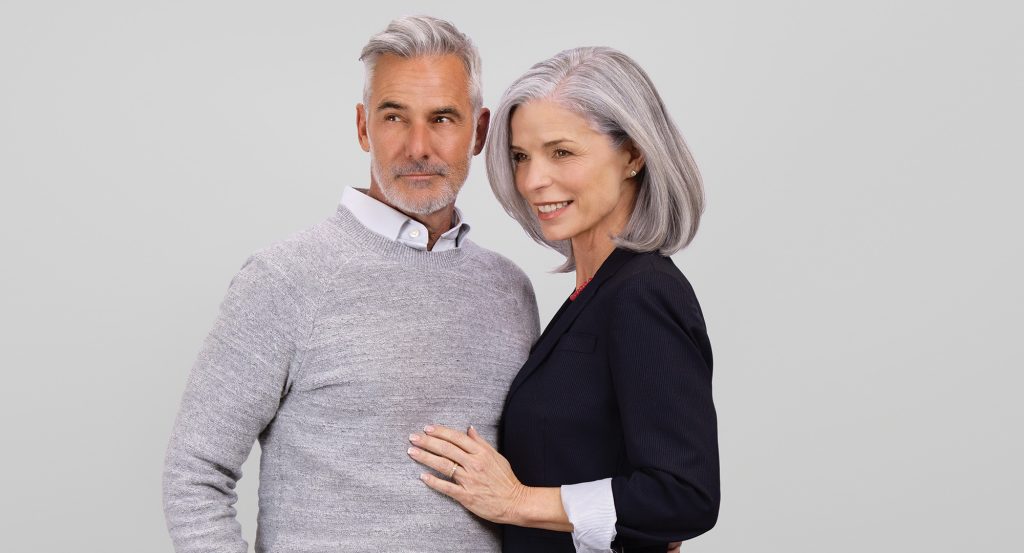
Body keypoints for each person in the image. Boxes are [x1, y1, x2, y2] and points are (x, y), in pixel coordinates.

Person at [162, 16, 539, 553]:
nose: (418, 146)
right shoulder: (285, 279)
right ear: (363, 127)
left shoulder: (510, 291)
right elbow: (194, 474)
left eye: (442, 118)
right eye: (394, 117)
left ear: (478, 132)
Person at [406, 47, 720, 552]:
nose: (532, 181)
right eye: (521, 157)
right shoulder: (587, 299)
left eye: (562, 152)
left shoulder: (643, 293)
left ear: (634, 154)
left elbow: (684, 495)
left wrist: (516, 502)